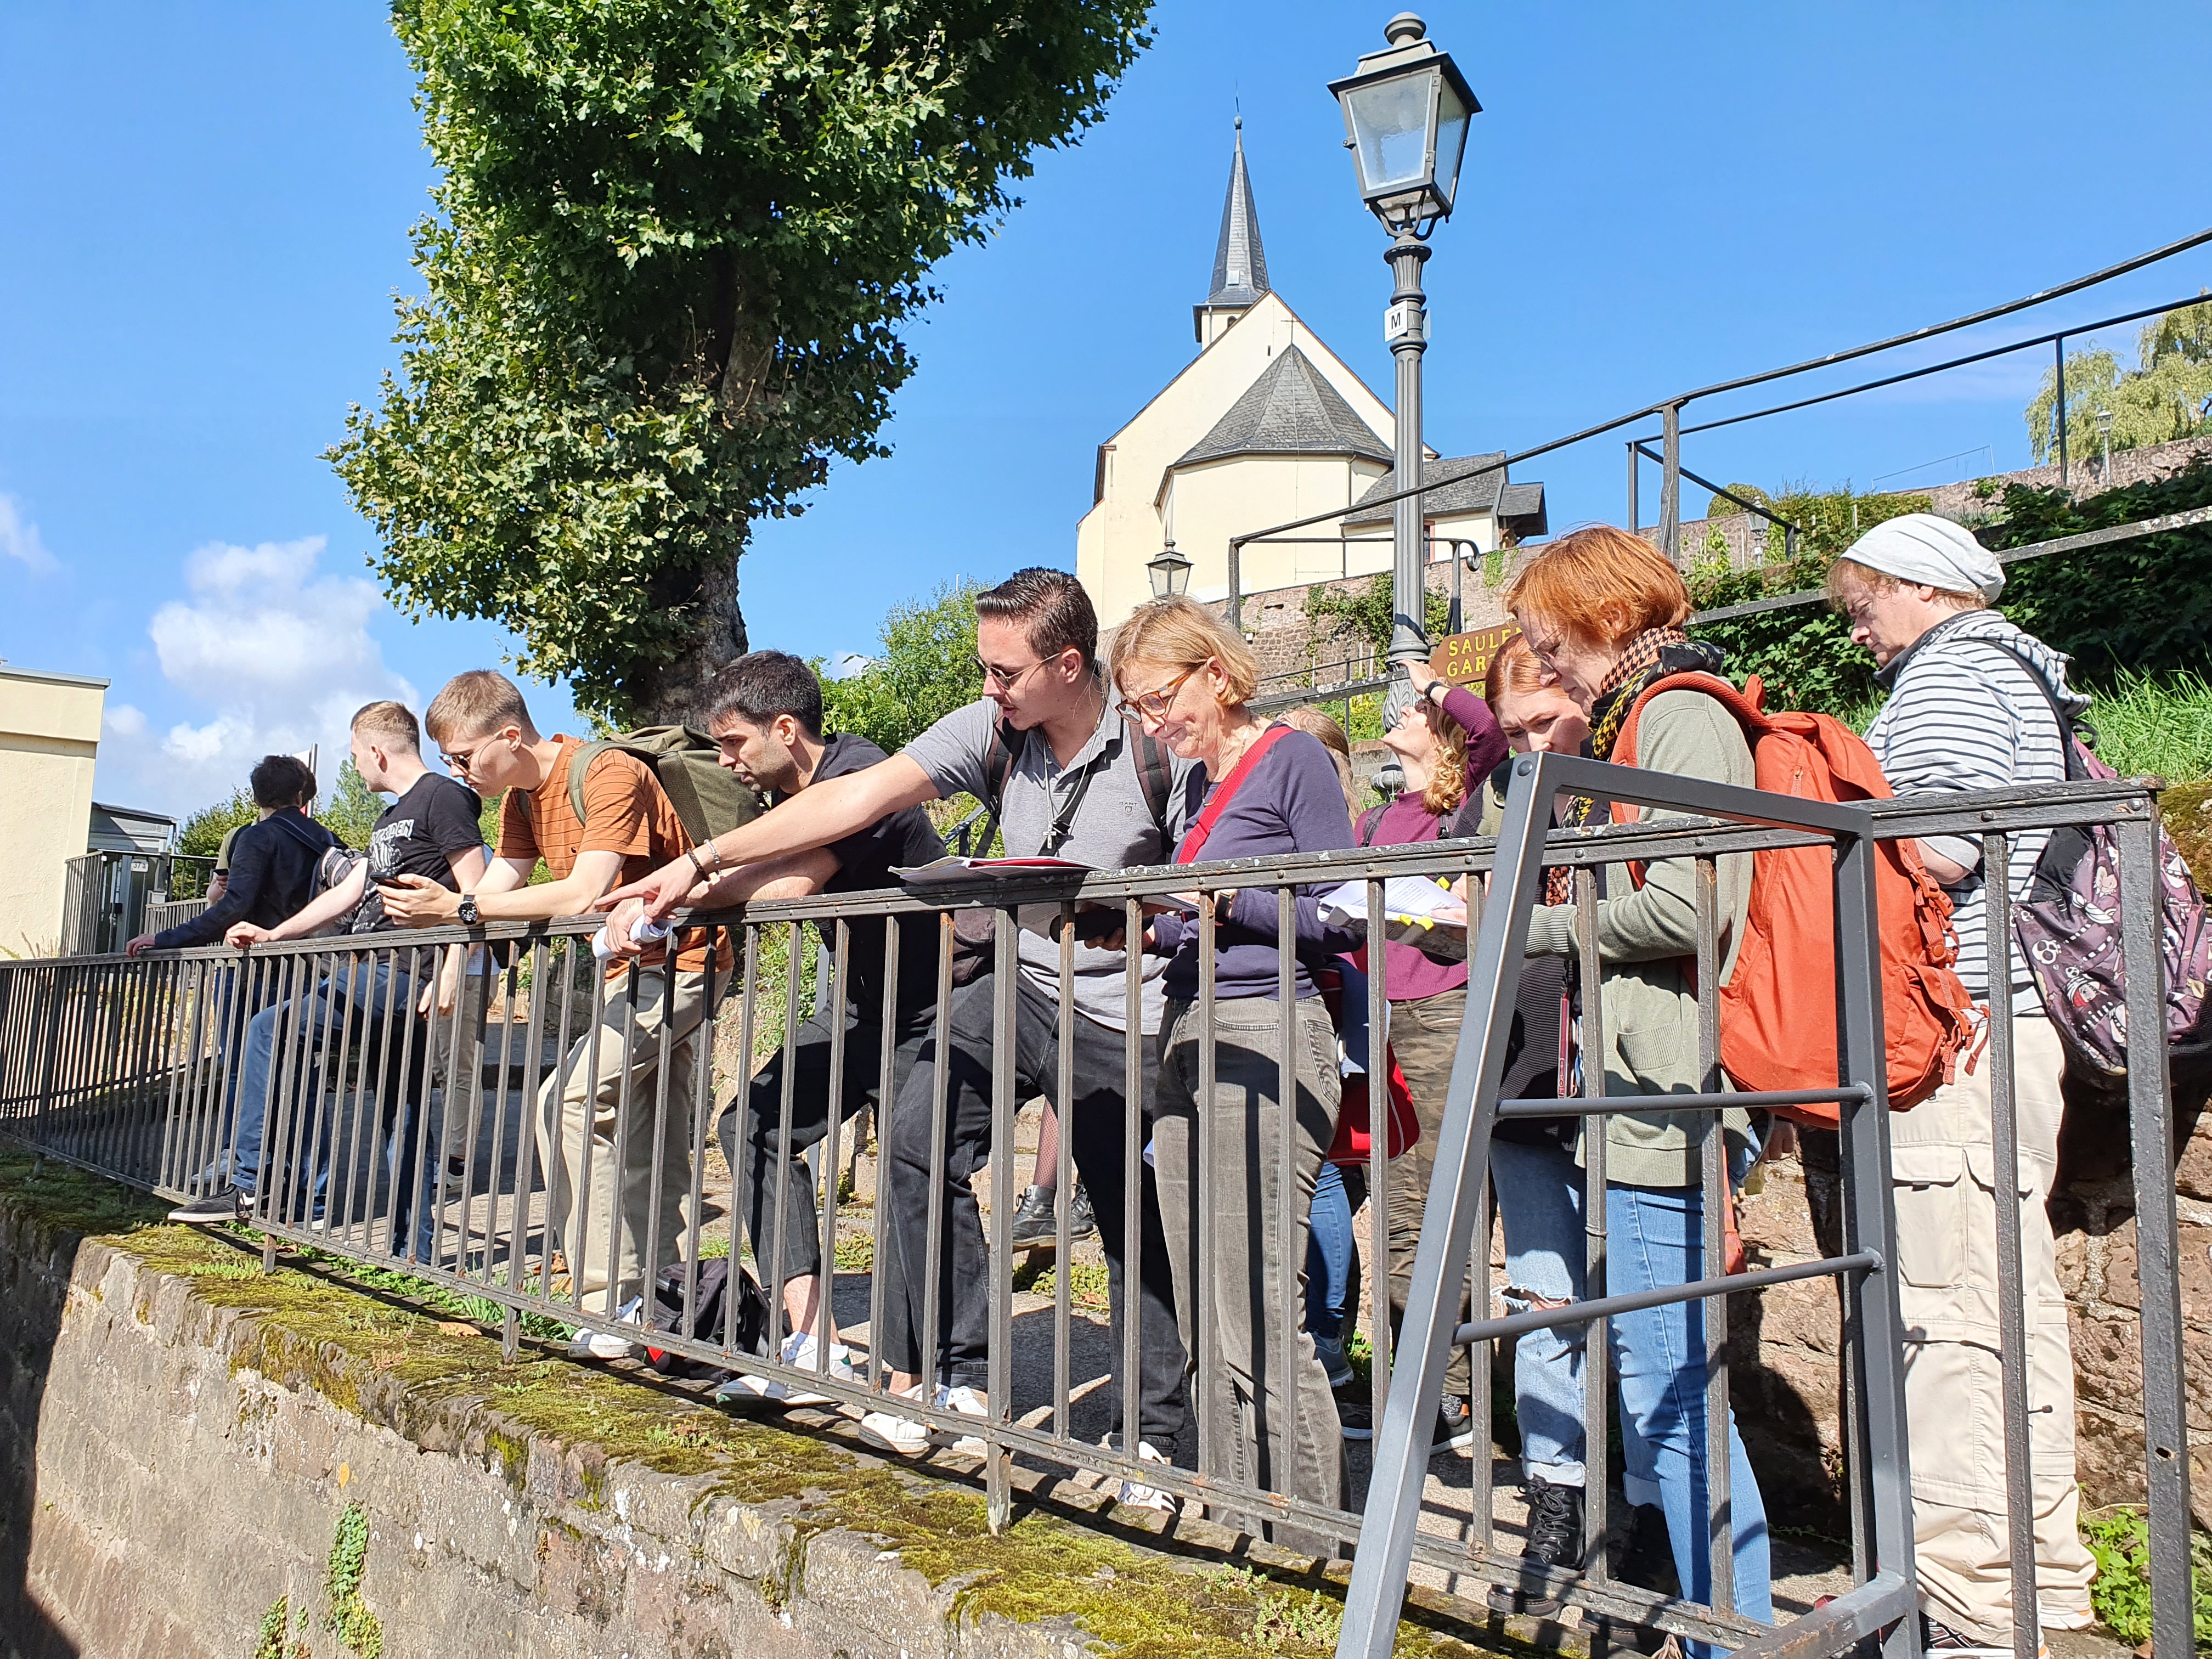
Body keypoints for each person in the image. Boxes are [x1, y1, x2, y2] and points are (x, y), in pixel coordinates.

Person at [600, 568, 1192, 1493]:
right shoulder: (991, 730)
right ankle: (960, 1377)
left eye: (1003, 670)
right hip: (1022, 984)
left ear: (1067, 663)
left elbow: (1214, 869)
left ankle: (1152, 1434)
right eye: (982, 667)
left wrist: (1149, 911)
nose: (988, 686)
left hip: (1129, 1005)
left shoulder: (1158, 740)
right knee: (916, 1135)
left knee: (1126, 1214)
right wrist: (698, 864)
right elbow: (859, 795)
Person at [1828, 513, 2097, 1654]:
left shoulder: (1952, 676)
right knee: (2000, 1314)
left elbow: (1935, 848)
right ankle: (2037, 1591)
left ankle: (1973, 1611)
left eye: (1867, 603)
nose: (1860, 630)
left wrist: (1816, 824)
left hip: (1956, 1032)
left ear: (1926, 591)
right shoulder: (2020, 674)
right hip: (2002, 1024)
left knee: (1945, 1327)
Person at [1504, 525, 1774, 1647]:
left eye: (1545, 635)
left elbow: (1689, 907)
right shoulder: (1643, 716)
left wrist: (1533, 923)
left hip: (1669, 1095)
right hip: (1636, 1089)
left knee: (1675, 1411)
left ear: (1598, 617)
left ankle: (1734, 1640)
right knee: (1669, 1402)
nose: (1540, 656)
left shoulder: (1678, 714)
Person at [382, 670, 730, 1353]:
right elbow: (496, 889)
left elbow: (581, 890)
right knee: (651, 1127)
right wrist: (456, 931)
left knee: (565, 1103)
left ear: (510, 736)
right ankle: (669, 1299)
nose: (456, 772)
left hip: (684, 963)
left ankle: (607, 1303)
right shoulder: (517, 801)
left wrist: (455, 908)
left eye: (462, 757)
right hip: (626, 970)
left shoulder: (605, 773)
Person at [1113, 596, 1356, 1554]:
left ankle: (1309, 1539)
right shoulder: (1194, 788)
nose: (1149, 721)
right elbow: (1197, 921)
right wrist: (1139, 917)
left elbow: (1340, 912)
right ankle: (1232, 1519)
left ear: (1217, 672)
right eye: (1134, 706)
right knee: (1204, 1294)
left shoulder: (1289, 757)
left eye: (1158, 697)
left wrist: (1224, 897)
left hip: (1265, 1025)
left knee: (1257, 1297)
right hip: (1188, 1027)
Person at [651, 652, 947, 1407]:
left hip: (936, 1004)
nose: (725, 762)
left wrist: (682, 888)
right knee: (754, 1124)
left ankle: (920, 1381)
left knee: (914, 1172)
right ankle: (811, 1346)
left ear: (785, 728)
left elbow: (791, 881)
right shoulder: (775, 799)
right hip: (861, 1003)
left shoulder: (861, 774)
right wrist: (667, 900)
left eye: (734, 744)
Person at [166, 704, 487, 1251]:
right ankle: (419, 1249)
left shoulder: (443, 797)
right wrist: (276, 936)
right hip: (382, 970)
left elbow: (478, 894)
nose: (357, 765)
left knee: (270, 1031)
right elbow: (347, 892)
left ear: (378, 750)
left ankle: (251, 1185)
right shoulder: (391, 820)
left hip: (403, 970)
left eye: (357, 754)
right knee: (402, 1108)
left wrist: (455, 968)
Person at [1475, 635, 1617, 1615]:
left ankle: (1635, 1499)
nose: (1528, 743)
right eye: (1510, 728)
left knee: (1647, 1293)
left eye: (1543, 720)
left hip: (1625, 1067)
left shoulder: (1624, 775)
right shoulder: (1499, 792)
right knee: (1540, 1285)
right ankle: (1554, 1491)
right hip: (1525, 1058)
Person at [1344, 653, 1510, 1460]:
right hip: (1383, 1018)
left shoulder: (1466, 806)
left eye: (1410, 711)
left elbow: (1492, 731)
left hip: (1448, 1011)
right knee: (1399, 1207)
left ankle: (1456, 1393)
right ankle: (1409, 1385)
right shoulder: (1378, 823)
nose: (1398, 714)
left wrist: (1432, 679)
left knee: (1450, 1203)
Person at [1279, 707, 1369, 1403]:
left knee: (1325, 1180)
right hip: (1323, 1002)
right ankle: (1323, 1340)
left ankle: (1329, 1345)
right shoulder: (1336, 812)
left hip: (1329, 1005)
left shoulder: (1330, 814)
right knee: (1320, 1179)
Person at [126, 755, 329, 956]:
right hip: (317, 962)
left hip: (259, 961)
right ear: (300, 797)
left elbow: (235, 905)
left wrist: (164, 939)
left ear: (256, 799)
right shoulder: (327, 838)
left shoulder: (256, 837)